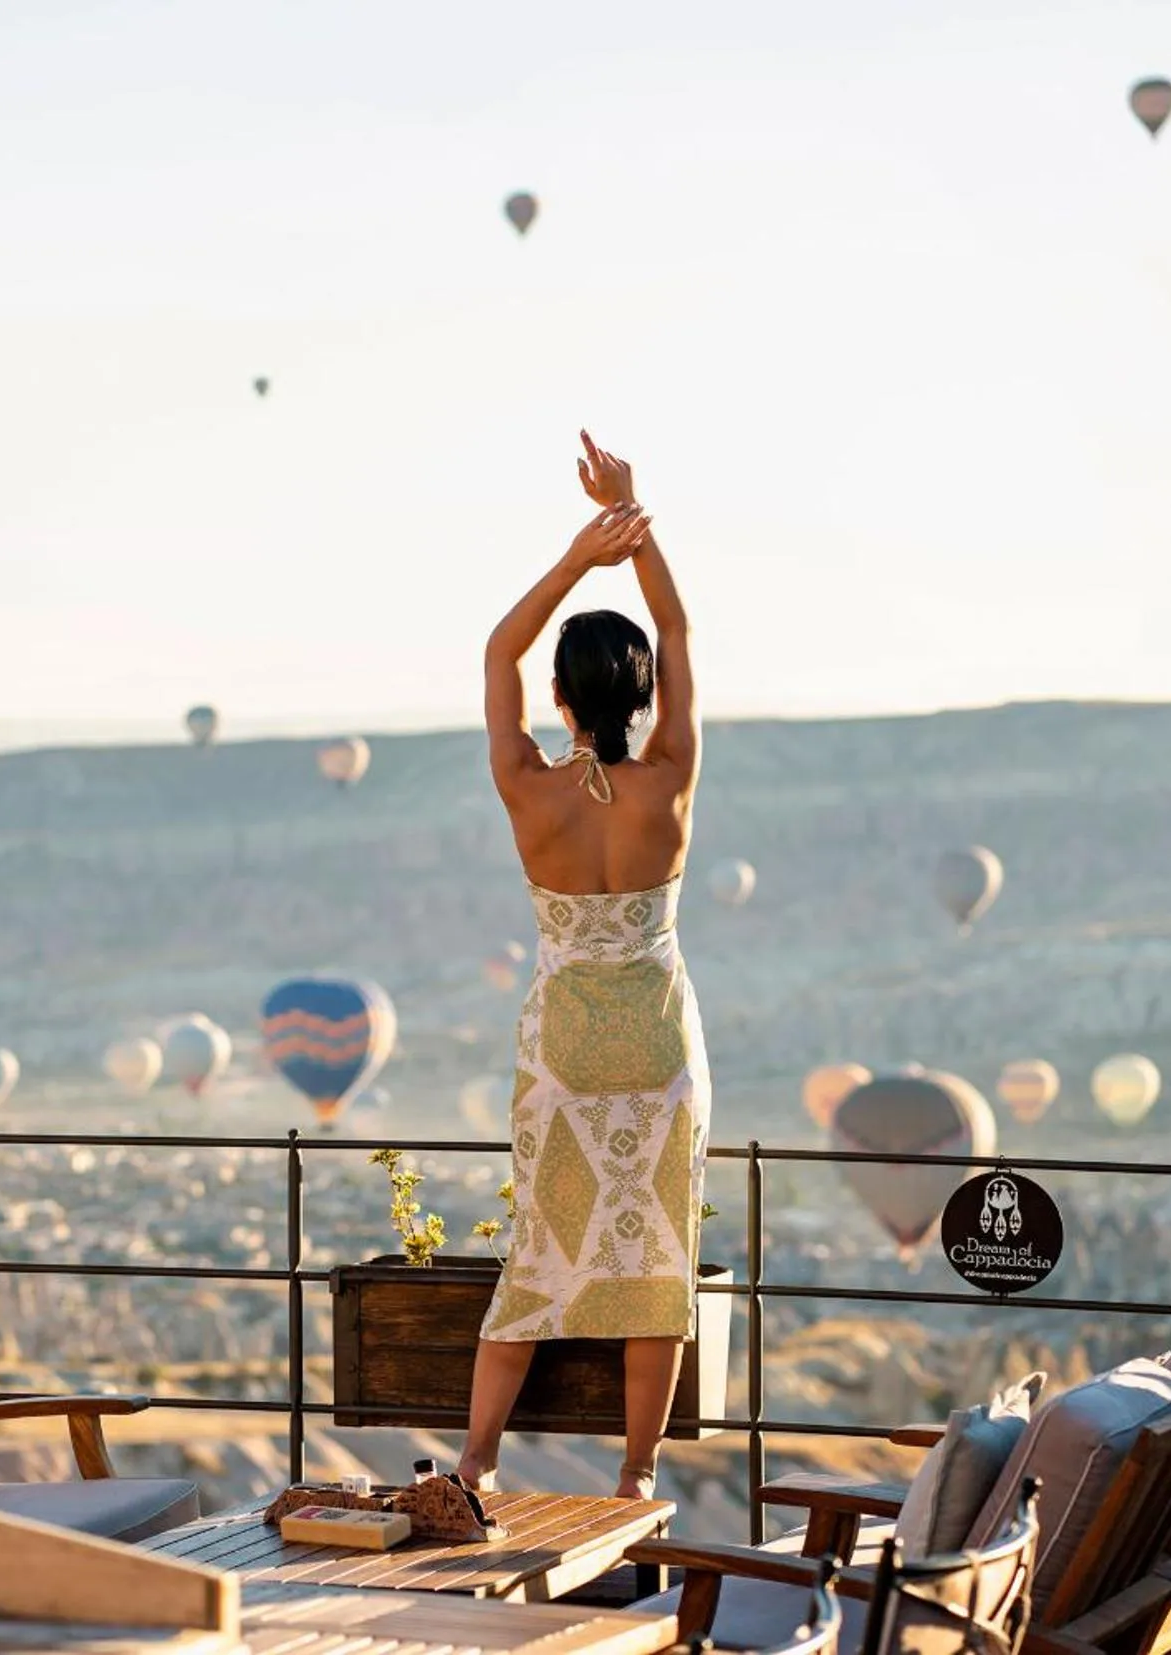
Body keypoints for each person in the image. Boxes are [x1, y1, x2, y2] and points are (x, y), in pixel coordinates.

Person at [456, 432, 707, 1501]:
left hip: (561, 1037)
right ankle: (635, 1473)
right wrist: (634, 521)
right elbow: (678, 625)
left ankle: (474, 1459)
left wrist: (574, 557)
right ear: (642, 694)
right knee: (650, 1267)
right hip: (654, 1039)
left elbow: (492, 652)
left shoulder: (526, 783)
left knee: (540, 1250)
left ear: (558, 693)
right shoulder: (668, 780)